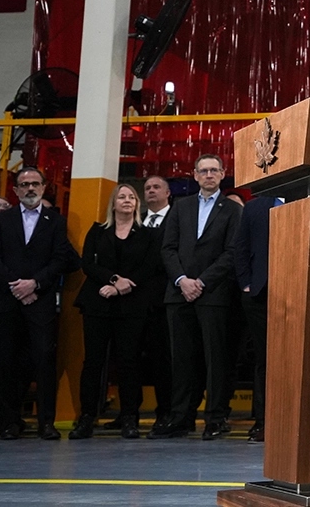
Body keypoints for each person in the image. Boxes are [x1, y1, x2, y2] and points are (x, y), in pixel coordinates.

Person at [150, 154, 243, 441]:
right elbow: (168, 248)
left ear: (223, 174)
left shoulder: (233, 210)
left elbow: (232, 253)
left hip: (214, 294)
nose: (209, 175)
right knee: (181, 360)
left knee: (215, 360)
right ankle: (181, 418)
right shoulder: (181, 206)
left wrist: (201, 282)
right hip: (179, 294)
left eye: (214, 170)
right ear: (195, 175)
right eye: (204, 171)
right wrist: (182, 280)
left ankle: (215, 418)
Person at [0, 167, 79, 440]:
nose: (30, 188)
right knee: (5, 362)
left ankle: (46, 423)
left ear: (44, 187)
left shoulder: (55, 221)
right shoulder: (2, 220)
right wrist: (17, 286)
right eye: (24, 184)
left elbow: (61, 259)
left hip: (40, 302)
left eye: (35, 184)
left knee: (44, 362)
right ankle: (10, 422)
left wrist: (35, 284)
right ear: (15, 190)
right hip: (6, 301)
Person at [70, 183, 157, 440]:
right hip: (98, 302)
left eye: (132, 197)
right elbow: (87, 264)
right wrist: (113, 280)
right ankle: (87, 417)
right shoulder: (97, 231)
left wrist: (119, 288)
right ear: (113, 203)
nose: (127, 200)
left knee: (129, 362)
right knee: (93, 362)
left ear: (137, 204)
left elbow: (149, 267)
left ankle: (129, 417)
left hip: (132, 305)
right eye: (122, 197)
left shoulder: (148, 234)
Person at [234, 193, 280, 444]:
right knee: (264, 358)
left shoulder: (308, 198)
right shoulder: (254, 207)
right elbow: (241, 247)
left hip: (300, 292)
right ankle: (264, 421)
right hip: (259, 294)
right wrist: (246, 283)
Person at [137, 175, 174, 429]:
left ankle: (166, 412)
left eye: (156, 187)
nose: (151, 191)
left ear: (168, 192)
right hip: (136, 302)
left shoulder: (177, 220)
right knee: (133, 359)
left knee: (164, 361)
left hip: (166, 301)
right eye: (147, 188)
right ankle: (129, 412)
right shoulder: (136, 222)